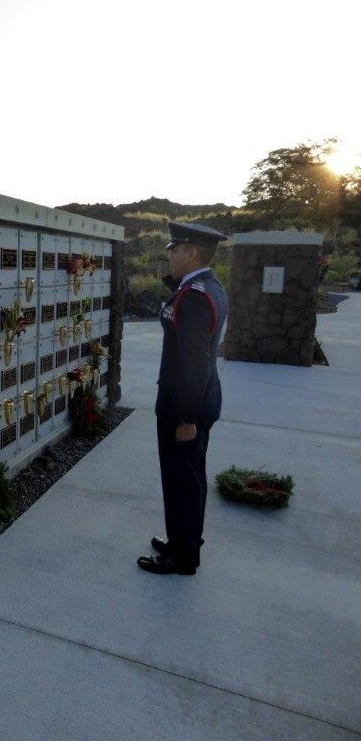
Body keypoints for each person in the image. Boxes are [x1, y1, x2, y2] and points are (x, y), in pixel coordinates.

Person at [137, 221, 228, 575]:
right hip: (195, 401)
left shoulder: (194, 298)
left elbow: (194, 362)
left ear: (192, 253)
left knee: (182, 481)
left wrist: (186, 418)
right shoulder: (208, 286)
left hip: (185, 406)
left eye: (175, 249)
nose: (170, 255)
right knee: (187, 477)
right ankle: (182, 540)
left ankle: (183, 556)